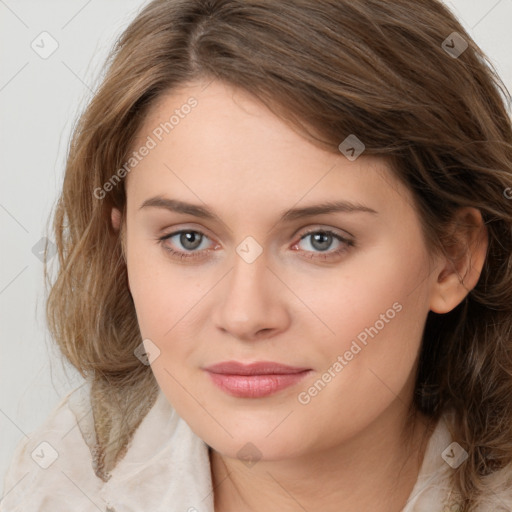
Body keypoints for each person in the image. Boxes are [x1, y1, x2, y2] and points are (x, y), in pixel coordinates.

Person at [2, 0, 512, 510]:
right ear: (123, 250)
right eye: (189, 239)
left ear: (452, 259)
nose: (245, 315)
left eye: (320, 240)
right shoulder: (45, 491)